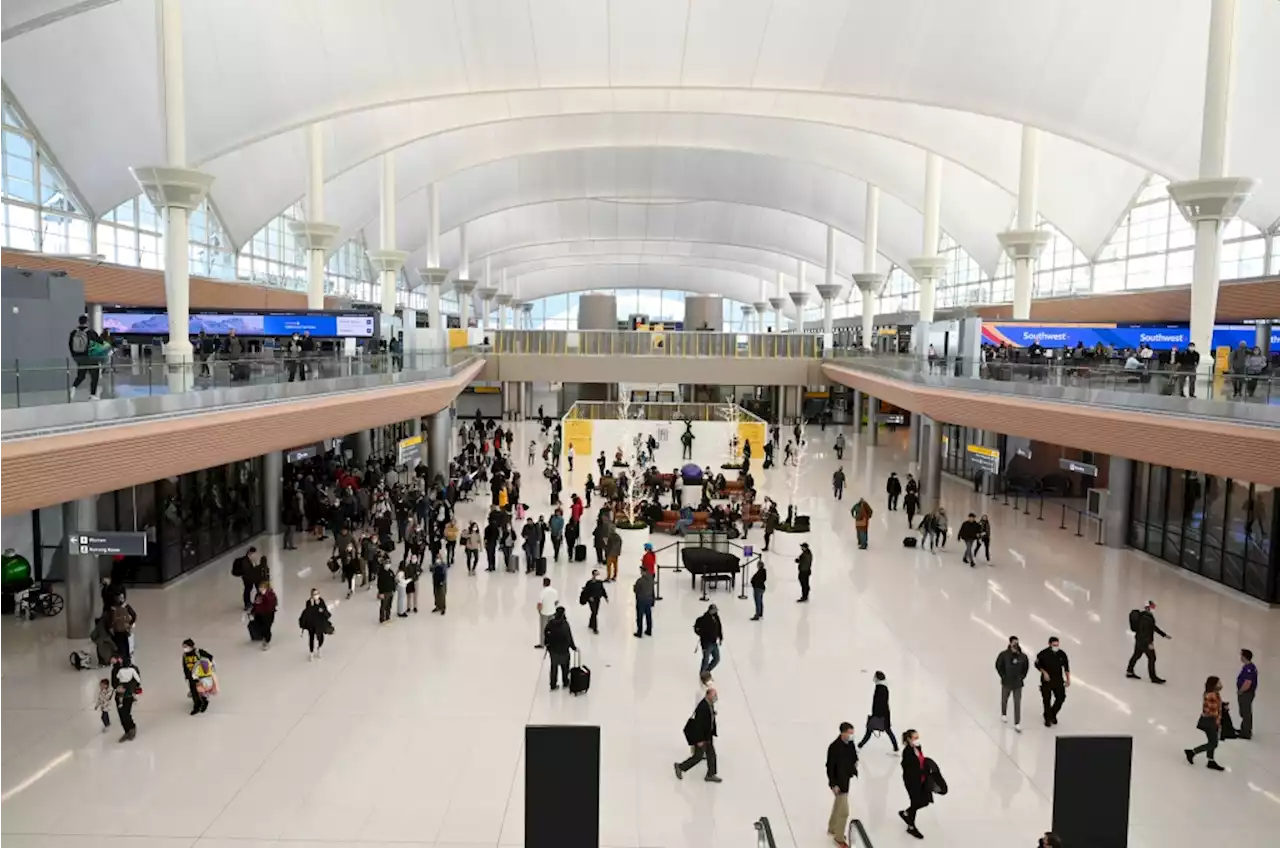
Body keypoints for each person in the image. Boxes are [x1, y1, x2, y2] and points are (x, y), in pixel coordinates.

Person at [674, 687, 721, 782]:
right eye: (714, 695)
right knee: (698, 757)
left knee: (711, 755)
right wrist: (699, 740)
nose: (715, 697)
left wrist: (712, 714)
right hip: (702, 737)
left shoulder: (709, 704)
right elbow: (698, 725)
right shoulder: (702, 707)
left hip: (708, 735)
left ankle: (710, 774)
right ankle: (680, 767)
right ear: (708, 695)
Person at [826, 723, 860, 846]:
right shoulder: (834, 747)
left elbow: (853, 755)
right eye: (850, 733)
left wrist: (855, 764)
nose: (852, 736)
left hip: (846, 779)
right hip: (839, 782)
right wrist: (833, 784)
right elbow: (829, 767)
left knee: (838, 805)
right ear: (843, 733)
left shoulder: (850, 744)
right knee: (844, 811)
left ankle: (832, 827)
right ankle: (839, 838)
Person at [1184, 676, 1226, 771]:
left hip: (1210, 720)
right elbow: (1212, 710)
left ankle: (1210, 760)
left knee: (1212, 741)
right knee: (1213, 743)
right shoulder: (1212, 695)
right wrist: (1218, 719)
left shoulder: (1213, 693)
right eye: (1219, 683)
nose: (1221, 685)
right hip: (1210, 721)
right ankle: (1192, 752)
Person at [898, 729, 932, 839]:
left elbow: (921, 761)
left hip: (921, 779)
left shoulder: (918, 748)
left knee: (924, 801)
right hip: (912, 782)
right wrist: (921, 771)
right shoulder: (907, 752)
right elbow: (909, 769)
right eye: (915, 738)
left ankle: (906, 813)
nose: (917, 740)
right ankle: (911, 826)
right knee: (915, 802)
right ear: (909, 739)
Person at [1126, 600, 1170, 683]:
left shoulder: (1143, 615)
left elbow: (1153, 627)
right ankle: (1153, 677)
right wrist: (1149, 643)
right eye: (1153, 606)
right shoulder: (1147, 618)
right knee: (1152, 658)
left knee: (1136, 655)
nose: (1154, 608)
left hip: (1139, 639)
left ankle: (1129, 671)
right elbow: (1147, 631)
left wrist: (1163, 635)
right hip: (1145, 641)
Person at [995, 635, 1029, 731]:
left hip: (1018, 683)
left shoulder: (1023, 656)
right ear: (1010, 643)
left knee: (1017, 702)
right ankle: (1004, 713)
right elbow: (998, 665)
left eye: (1017, 643)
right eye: (1014, 643)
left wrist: (1022, 677)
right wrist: (1003, 676)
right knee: (1004, 699)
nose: (1015, 645)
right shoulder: (1004, 655)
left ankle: (1017, 722)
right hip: (1007, 682)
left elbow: (1025, 668)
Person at [1035, 636, 1070, 727]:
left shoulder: (1062, 654)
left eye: (1057, 645)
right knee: (1047, 699)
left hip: (1058, 679)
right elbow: (1037, 664)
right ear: (1049, 644)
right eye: (1054, 645)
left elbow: (1066, 667)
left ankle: (1051, 714)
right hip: (1047, 680)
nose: (1056, 647)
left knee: (1061, 698)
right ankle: (1047, 718)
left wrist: (1068, 679)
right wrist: (1044, 672)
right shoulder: (1043, 654)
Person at [857, 671, 896, 751]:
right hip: (884, 715)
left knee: (870, 729)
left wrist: (876, 715)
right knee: (887, 730)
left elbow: (880, 703)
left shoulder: (880, 688)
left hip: (880, 715)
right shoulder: (882, 687)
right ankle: (860, 744)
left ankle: (860, 745)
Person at [68, 313, 103, 400]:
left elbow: (70, 345)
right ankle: (92, 395)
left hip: (79, 358)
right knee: (95, 375)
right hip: (90, 358)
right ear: (87, 322)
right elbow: (100, 343)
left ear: (79, 322)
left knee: (81, 375)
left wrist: (75, 356)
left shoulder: (73, 332)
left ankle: (73, 388)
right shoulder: (91, 332)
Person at [544, 606, 576, 691]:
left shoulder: (551, 623)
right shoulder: (565, 624)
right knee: (565, 666)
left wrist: (547, 643)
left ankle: (553, 684)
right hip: (563, 649)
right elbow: (569, 637)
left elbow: (546, 632)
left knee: (554, 667)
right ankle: (565, 681)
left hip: (553, 649)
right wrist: (573, 647)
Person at [112, 655, 142, 742]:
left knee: (126, 712)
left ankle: (132, 728)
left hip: (128, 695)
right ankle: (126, 731)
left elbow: (136, 682)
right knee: (121, 714)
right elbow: (114, 681)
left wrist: (127, 688)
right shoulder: (116, 669)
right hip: (119, 694)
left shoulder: (133, 669)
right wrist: (117, 687)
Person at [181, 638, 213, 715]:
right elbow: (185, 666)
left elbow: (210, 657)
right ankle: (196, 706)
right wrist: (187, 676)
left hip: (200, 676)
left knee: (201, 690)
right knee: (194, 691)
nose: (185, 648)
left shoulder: (198, 652)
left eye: (186, 646)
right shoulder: (185, 655)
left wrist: (204, 668)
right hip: (191, 677)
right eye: (184, 646)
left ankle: (204, 702)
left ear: (191, 646)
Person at [299, 588, 331, 660]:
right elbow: (308, 612)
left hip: (319, 623)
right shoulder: (308, 602)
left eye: (317, 594)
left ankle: (319, 647)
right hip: (311, 623)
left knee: (320, 637)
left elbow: (325, 610)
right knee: (311, 637)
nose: (316, 595)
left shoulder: (321, 601)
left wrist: (321, 609)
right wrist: (313, 606)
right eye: (314, 594)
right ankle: (311, 652)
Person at [695, 604, 723, 674]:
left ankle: (707, 671)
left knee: (717, 659)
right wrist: (703, 635)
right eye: (714, 610)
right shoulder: (704, 619)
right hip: (706, 643)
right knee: (706, 659)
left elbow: (719, 627)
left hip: (714, 642)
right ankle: (703, 673)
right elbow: (698, 629)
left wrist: (720, 637)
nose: (715, 611)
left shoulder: (716, 618)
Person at [251, 581, 278, 650]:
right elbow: (256, 603)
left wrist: (264, 596)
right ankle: (262, 636)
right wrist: (253, 610)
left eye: (262, 588)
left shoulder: (270, 595)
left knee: (266, 627)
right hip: (259, 614)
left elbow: (271, 604)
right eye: (260, 587)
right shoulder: (258, 595)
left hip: (267, 614)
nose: (260, 589)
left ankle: (266, 640)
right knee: (260, 626)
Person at [1237, 648, 1257, 740]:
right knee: (1244, 711)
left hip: (1246, 693)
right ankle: (1244, 728)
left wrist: (1241, 690)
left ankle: (1246, 732)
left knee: (1246, 711)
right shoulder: (1247, 667)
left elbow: (1248, 682)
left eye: (1241, 655)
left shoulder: (1249, 668)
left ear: (1245, 657)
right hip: (1246, 692)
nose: (1240, 657)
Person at [232, 545, 259, 611]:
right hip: (247, 577)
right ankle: (247, 603)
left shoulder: (250, 559)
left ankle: (248, 602)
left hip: (249, 577)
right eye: (254, 553)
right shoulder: (245, 560)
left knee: (248, 588)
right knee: (247, 589)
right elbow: (247, 570)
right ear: (250, 553)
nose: (255, 555)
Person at [580, 569, 608, 633]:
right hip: (591, 599)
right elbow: (586, 591)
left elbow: (602, 589)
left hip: (598, 599)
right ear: (593, 575)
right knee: (594, 612)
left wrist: (606, 597)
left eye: (598, 574)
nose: (597, 575)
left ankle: (590, 624)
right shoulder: (589, 583)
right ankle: (595, 628)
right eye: (596, 574)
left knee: (595, 612)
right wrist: (589, 597)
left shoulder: (600, 582)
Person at [535, 577, 558, 648]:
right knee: (552, 628)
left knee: (543, 629)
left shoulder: (542, 592)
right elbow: (556, 601)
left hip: (544, 612)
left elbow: (540, 604)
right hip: (552, 611)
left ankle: (542, 643)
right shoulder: (554, 591)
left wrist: (539, 611)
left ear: (544, 583)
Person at [634, 565, 655, 638]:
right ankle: (649, 630)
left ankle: (639, 632)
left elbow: (636, 590)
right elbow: (652, 590)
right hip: (649, 599)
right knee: (648, 615)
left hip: (641, 600)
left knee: (640, 616)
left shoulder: (640, 581)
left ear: (643, 572)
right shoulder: (651, 579)